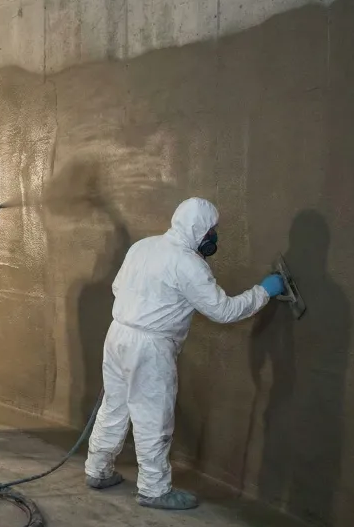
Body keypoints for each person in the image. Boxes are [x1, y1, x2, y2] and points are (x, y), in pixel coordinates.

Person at [83, 197, 285, 510]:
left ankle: (97, 469)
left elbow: (117, 288)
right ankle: (154, 489)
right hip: (150, 346)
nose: (214, 237)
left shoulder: (144, 246)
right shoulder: (189, 264)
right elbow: (223, 311)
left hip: (118, 334)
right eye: (212, 230)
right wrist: (263, 291)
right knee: (153, 417)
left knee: (115, 405)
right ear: (199, 230)